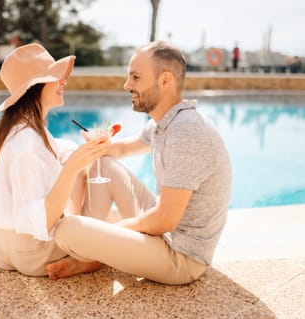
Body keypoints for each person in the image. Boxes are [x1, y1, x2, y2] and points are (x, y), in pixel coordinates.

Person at [46, 41, 232, 285]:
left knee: (66, 230)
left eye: (135, 77)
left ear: (165, 80)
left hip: (181, 257)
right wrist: (97, 144)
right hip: (163, 233)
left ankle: (98, 252)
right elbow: (120, 149)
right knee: (105, 164)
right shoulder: (163, 123)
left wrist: (116, 231)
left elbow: (166, 220)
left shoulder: (187, 131)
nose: (127, 85)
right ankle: (101, 249)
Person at [0, 43, 111, 276]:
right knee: (106, 241)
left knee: (73, 162)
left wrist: (77, 152)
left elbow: (56, 149)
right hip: (32, 254)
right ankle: (83, 259)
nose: (63, 81)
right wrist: (72, 168)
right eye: (55, 76)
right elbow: (42, 221)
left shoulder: (16, 129)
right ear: (34, 86)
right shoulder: (29, 143)